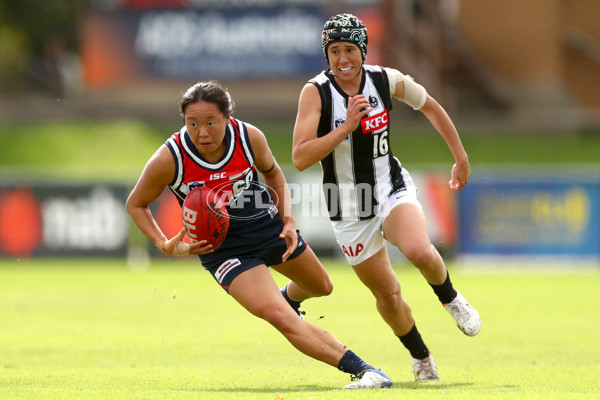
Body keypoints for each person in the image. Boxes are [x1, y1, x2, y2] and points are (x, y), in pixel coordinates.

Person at [126, 80, 392, 389]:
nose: (201, 132)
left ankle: (285, 299)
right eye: (192, 123)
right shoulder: (169, 158)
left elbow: (274, 174)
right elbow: (136, 204)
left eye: (211, 122)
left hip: (267, 227)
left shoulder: (249, 137)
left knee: (321, 286)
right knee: (281, 318)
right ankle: (366, 371)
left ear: (228, 117)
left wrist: (288, 221)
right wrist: (163, 243)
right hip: (223, 250)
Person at [292, 13, 481, 381]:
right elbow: (300, 157)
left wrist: (460, 157)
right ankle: (421, 357)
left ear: (363, 51)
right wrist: (346, 127)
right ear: (326, 55)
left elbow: (431, 105)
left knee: (420, 250)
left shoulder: (384, 79)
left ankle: (451, 299)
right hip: (348, 206)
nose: (343, 59)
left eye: (350, 49)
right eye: (334, 51)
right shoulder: (315, 92)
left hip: (389, 186)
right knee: (389, 295)